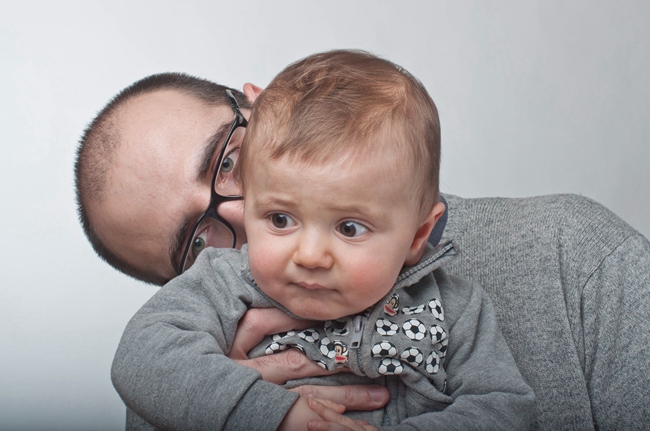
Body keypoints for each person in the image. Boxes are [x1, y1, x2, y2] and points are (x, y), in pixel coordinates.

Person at [75, 59, 650, 430]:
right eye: (198, 240)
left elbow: (501, 405)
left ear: (268, 104)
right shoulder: (198, 332)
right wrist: (218, 405)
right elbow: (147, 354)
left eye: (227, 160)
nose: (240, 209)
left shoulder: (576, 258)